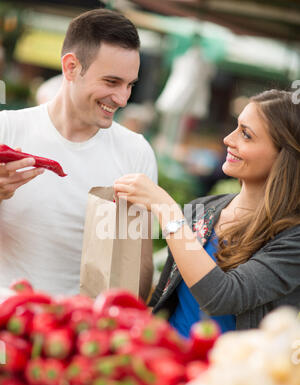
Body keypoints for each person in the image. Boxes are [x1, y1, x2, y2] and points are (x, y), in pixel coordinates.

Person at [114, 89, 300, 336]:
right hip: (165, 363)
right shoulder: (204, 208)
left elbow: (221, 296)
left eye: (246, 134)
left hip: (226, 373)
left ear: (284, 157)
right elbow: (165, 296)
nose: (228, 139)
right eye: (236, 127)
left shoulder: (293, 239)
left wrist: (166, 209)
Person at [0, 9, 157, 299]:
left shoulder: (136, 154)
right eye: (111, 82)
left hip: (77, 330)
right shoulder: (6, 131)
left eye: (129, 85)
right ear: (71, 67)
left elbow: (138, 269)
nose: (122, 99)